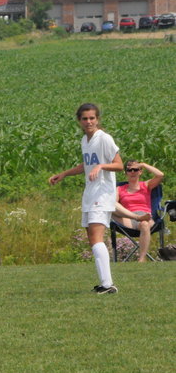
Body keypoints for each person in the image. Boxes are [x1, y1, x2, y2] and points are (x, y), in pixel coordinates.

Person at [48, 103, 134, 294]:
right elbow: (86, 165)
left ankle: (107, 284)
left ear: (97, 119)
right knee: (92, 238)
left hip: (102, 194)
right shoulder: (85, 140)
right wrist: (64, 174)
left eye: (92, 118)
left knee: (96, 237)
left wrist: (101, 166)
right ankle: (105, 283)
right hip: (90, 193)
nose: (89, 122)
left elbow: (119, 165)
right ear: (79, 120)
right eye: (85, 118)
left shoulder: (104, 138)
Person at [112, 160, 164, 262]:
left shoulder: (146, 185)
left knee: (144, 224)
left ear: (140, 172)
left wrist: (143, 164)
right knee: (111, 204)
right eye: (129, 170)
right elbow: (113, 204)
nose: (132, 172)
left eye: (135, 169)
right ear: (126, 173)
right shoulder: (119, 189)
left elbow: (160, 175)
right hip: (127, 217)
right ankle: (137, 217)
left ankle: (142, 258)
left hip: (145, 216)